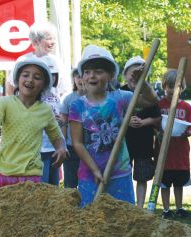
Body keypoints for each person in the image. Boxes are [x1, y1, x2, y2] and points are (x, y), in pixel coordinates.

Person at [68, 45, 158, 207]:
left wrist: (142, 83)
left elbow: (151, 101)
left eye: (98, 71)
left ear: (110, 75)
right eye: (87, 72)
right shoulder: (77, 106)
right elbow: (77, 142)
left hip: (119, 173)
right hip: (89, 175)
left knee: (123, 220)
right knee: (91, 220)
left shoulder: (121, 98)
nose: (92, 76)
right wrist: (95, 170)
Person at [0, 58, 67, 187]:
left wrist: (61, 147)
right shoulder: (4, 103)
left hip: (32, 175)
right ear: (18, 80)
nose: (30, 80)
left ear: (44, 85)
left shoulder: (45, 110)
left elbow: (56, 135)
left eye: (37, 77)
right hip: (5, 173)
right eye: (25, 75)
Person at [157, 69, 191, 219]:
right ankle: (165, 209)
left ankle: (179, 207)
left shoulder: (186, 107)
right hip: (164, 153)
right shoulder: (160, 105)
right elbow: (156, 124)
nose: (173, 90)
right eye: (170, 86)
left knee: (178, 183)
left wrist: (190, 132)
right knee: (164, 183)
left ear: (182, 87)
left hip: (180, 153)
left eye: (177, 86)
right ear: (164, 86)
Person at [120, 56, 161, 208]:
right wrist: (127, 120)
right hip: (126, 142)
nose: (134, 78)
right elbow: (114, 115)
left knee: (141, 176)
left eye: (139, 75)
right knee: (124, 174)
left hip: (143, 141)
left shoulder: (149, 93)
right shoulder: (120, 92)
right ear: (125, 75)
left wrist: (144, 122)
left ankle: (139, 207)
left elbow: (157, 118)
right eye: (132, 74)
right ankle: (126, 204)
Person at [5, 21, 70, 98]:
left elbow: (65, 90)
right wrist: (20, 105)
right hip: (29, 109)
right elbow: (10, 86)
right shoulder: (23, 61)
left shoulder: (57, 61)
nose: (53, 42)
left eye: (54, 39)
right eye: (49, 39)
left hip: (52, 109)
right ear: (36, 41)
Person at [59, 68, 86, 188]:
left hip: (90, 147)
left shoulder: (96, 97)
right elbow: (63, 123)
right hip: (71, 146)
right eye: (77, 77)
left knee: (87, 180)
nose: (80, 80)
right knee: (70, 182)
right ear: (74, 80)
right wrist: (63, 145)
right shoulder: (68, 99)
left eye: (82, 76)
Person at [39, 56, 64, 186]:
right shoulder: (36, 94)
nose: (51, 78)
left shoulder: (55, 93)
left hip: (54, 145)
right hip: (40, 147)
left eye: (54, 75)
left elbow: (59, 115)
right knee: (43, 184)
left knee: (54, 183)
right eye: (48, 75)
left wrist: (60, 120)